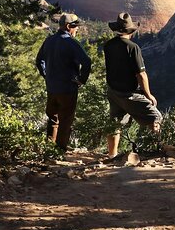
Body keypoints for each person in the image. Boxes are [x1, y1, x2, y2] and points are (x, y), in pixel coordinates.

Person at [103, 12, 161, 157]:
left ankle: (112, 155)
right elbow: (141, 74)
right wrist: (148, 94)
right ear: (130, 31)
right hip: (129, 93)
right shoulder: (133, 47)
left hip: (113, 91)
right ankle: (157, 151)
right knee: (155, 116)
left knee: (115, 123)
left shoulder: (108, 46)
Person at [35, 13, 92, 151]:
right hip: (67, 89)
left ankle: (49, 149)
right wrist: (81, 80)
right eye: (75, 27)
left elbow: (39, 60)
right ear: (68, 26)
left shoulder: (49, 40)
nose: (77, 30)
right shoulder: (71, 43)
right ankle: (60, 151)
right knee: (65, 120)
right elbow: (87, 62)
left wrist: (46, 75)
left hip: (52, 88)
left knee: (53, 119)